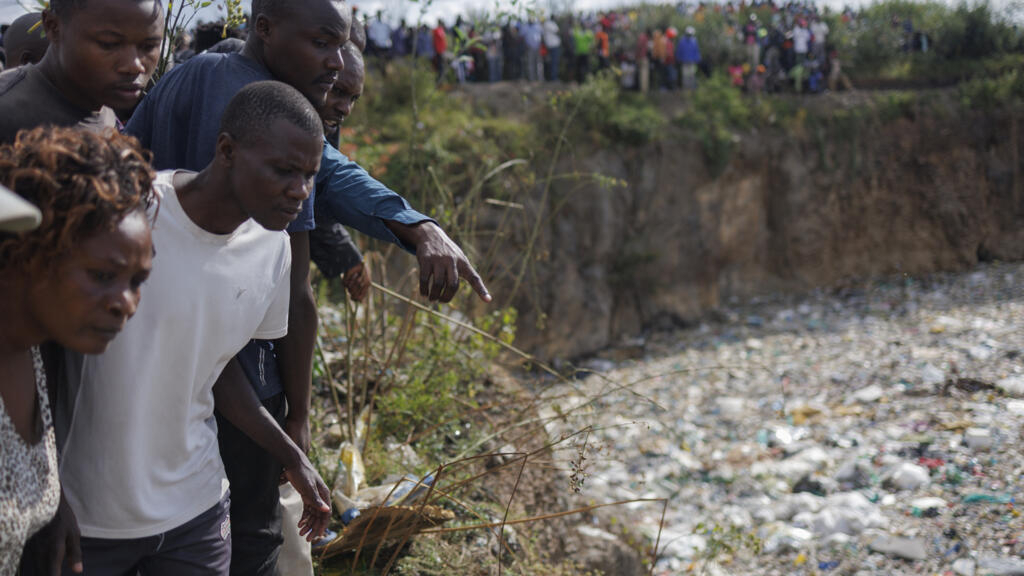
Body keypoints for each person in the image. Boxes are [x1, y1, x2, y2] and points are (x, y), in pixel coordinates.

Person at [127, 2, 490, 573]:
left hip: (163, 357)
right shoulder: (251, 110)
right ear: (266, 30)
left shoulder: (213, 76)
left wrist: (415, 225)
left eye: (341, 46)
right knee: (247, 530)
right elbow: (294, 291)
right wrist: (294, 425)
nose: (335, 63)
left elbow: (328, 171)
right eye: (324, 44)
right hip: (212, 368)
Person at [58, 81, 332, 576]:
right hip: (89, 516)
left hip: (197, 511)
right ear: (226, 150)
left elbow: (216, 366)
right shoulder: (131, 213)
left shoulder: (272, 249)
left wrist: (290, 452)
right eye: (283, 170)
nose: (299, 190)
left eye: (309, 175)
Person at [1, 127, 155, 575]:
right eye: (103, 275)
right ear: (30, 253)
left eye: (137, 282)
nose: (125, 304)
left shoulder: (31, 351)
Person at [0, 0, 163, 143]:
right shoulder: (7, 109)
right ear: (53, 27)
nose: (134, 66)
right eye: (109, 44)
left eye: (148, 47)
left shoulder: (101, 107)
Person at [677, 26, 701, 91]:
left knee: (691, 75)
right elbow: (679, 51)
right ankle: (686, 88)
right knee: (685, 75)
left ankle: (691, 88)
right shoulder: (682, 41)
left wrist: (697, 59)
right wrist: (679, 59)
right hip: (685, 61)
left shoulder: (694, 41)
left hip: (691, 61)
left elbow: (696, 51)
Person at [542, 17, 561, 82]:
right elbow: (557, 31)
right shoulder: (550, 23)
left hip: (549, 45)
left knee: (549, 62)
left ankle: (549, 78)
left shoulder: (545, 24)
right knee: (554, 62)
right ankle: (553, 78)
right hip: (553, 46)